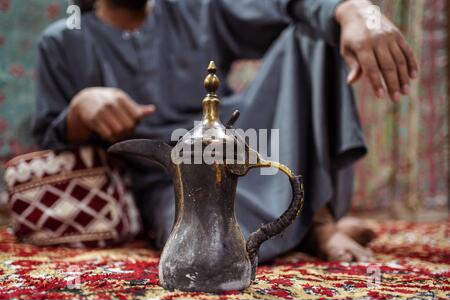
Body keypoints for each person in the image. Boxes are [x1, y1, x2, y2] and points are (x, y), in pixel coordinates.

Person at [32, 0, 418, 262]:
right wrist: (80, 110)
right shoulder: (63, 38)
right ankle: (297, 230)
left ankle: (318, 221)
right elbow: (49, 137)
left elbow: (289, 4)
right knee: (202, 253)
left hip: (239, 142)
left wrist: (354, 9)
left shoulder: (195, 7)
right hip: (170, 177)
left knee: (315, 31)